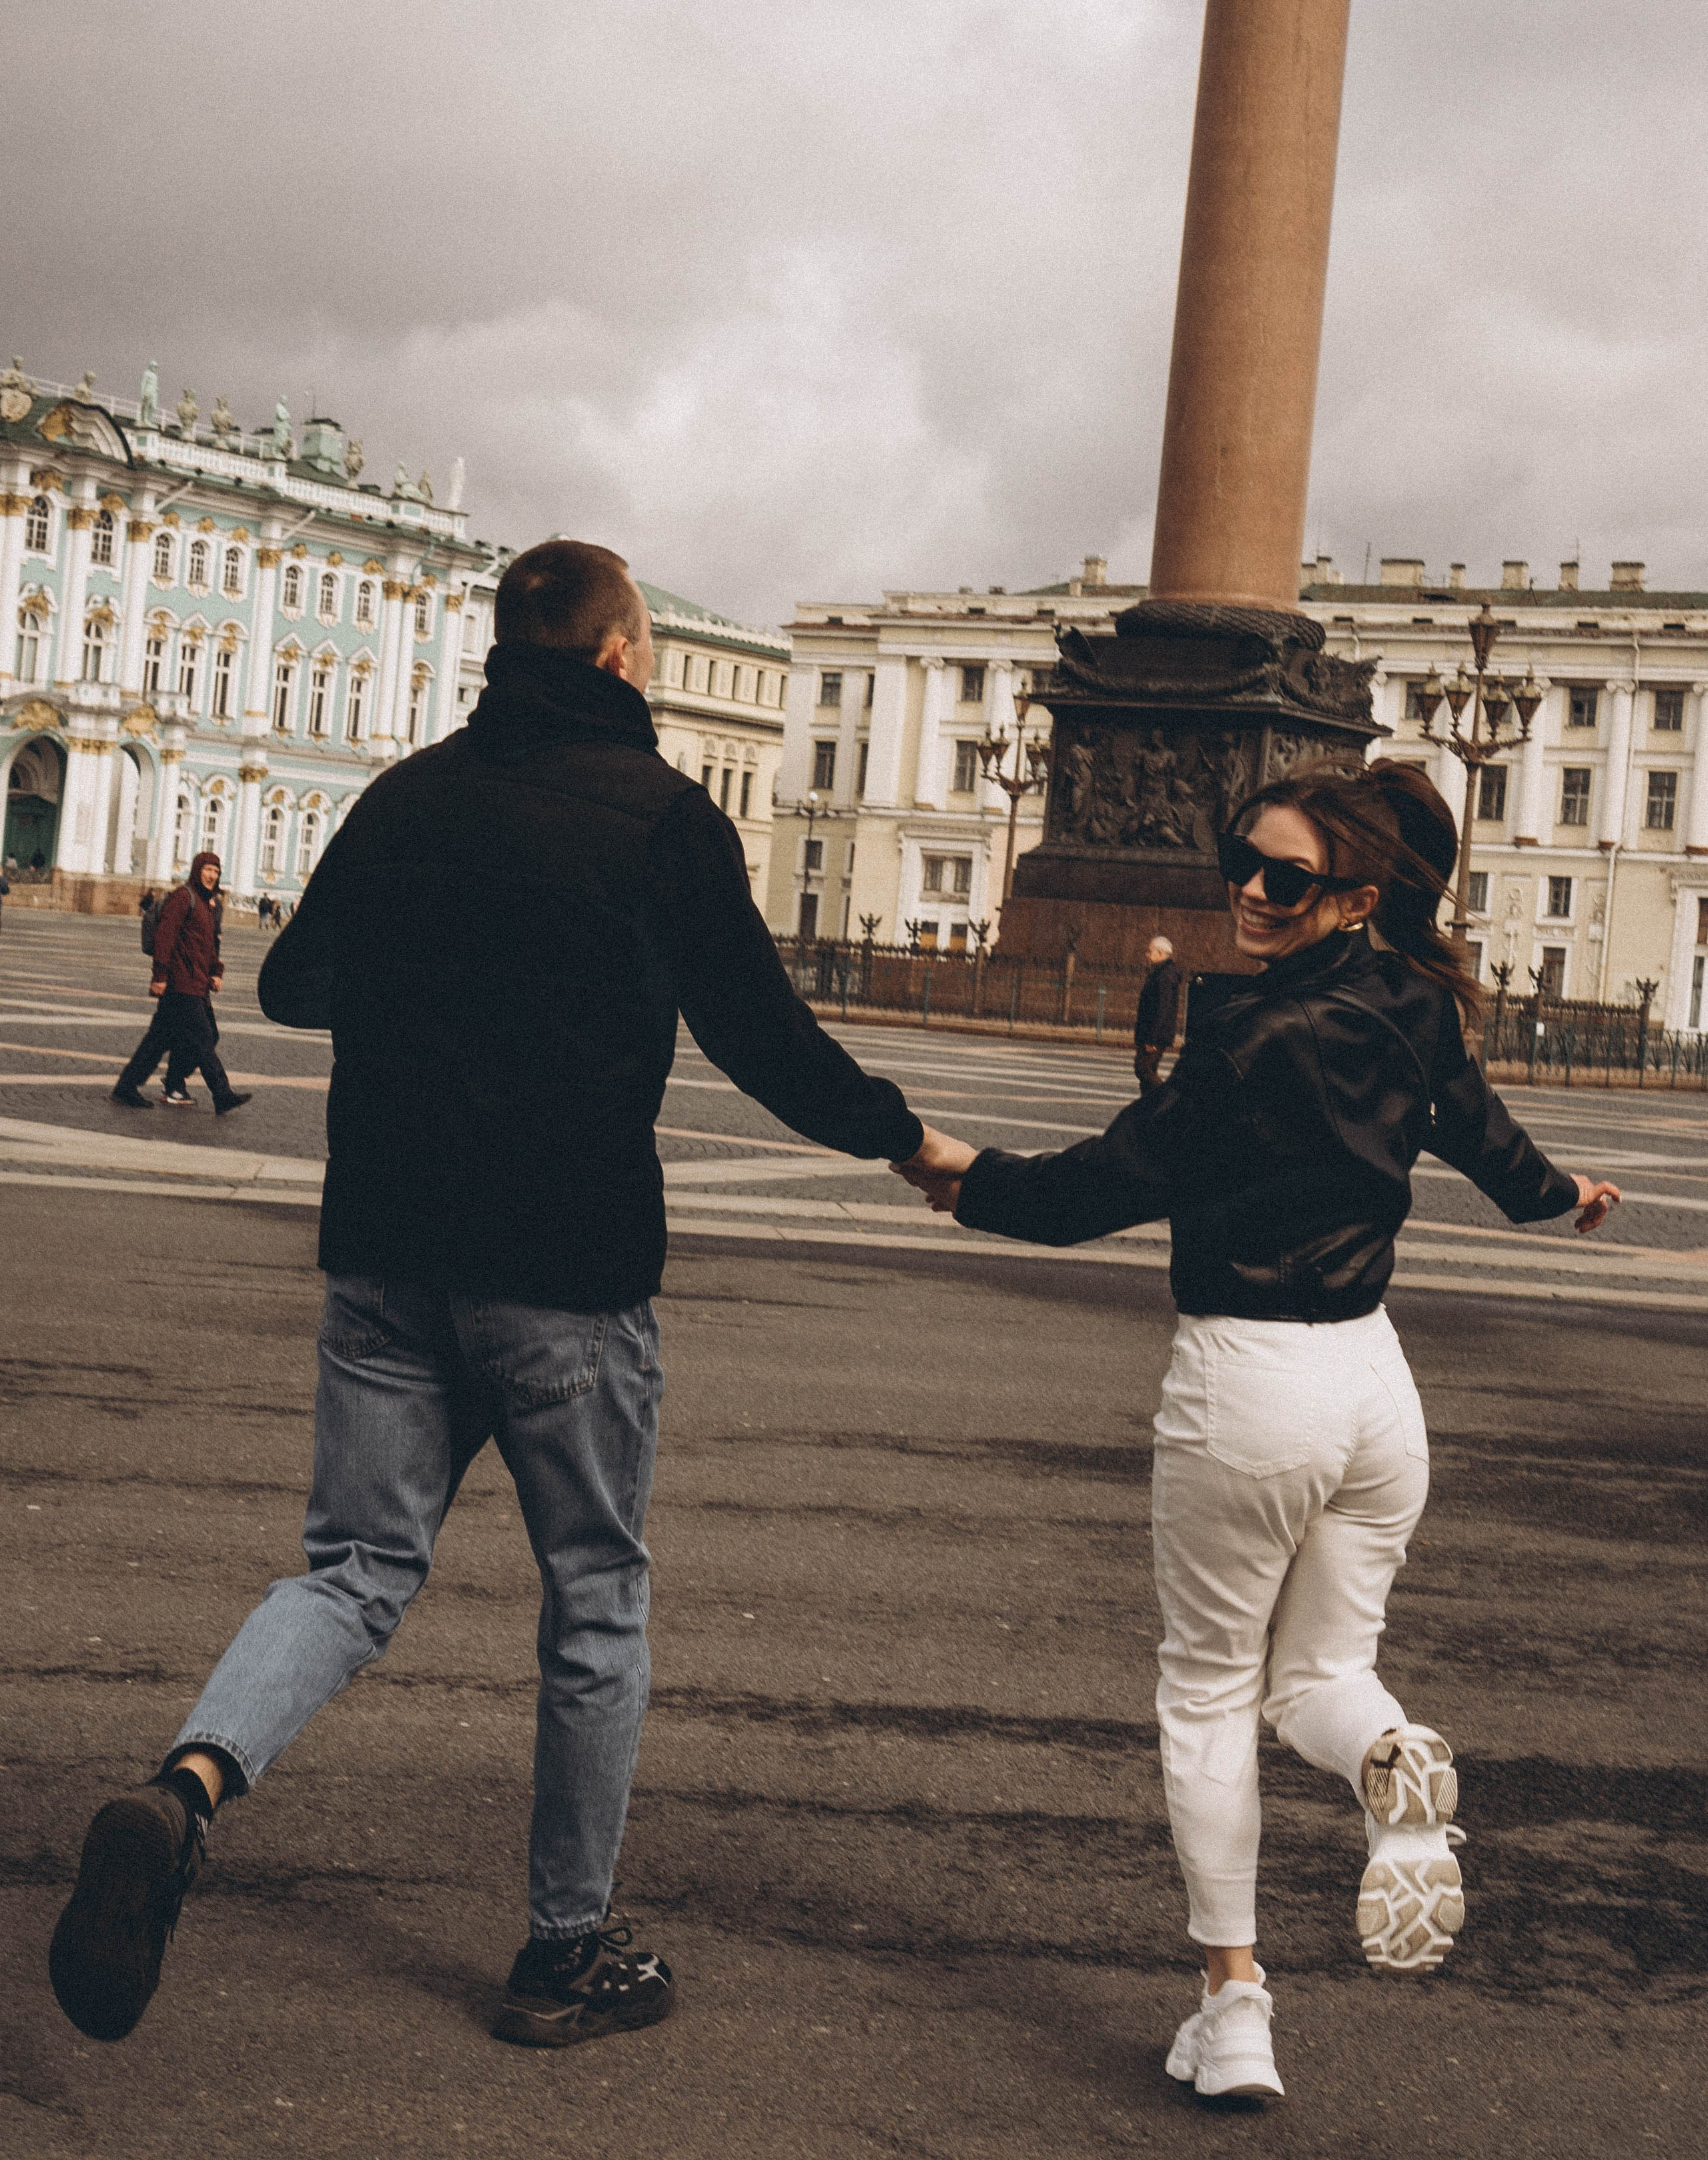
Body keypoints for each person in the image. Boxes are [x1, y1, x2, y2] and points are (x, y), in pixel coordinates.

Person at [51, 538, 926, 2056]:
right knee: (592, 1599)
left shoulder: (406, 796)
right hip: (564, 1268)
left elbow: (294, 987)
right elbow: (761, 1035)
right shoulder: (664, 816)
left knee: (350, 1573)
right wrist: (904, 1141)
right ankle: (561, 1952)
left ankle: (185, 1788)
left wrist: (438, 972)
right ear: (619, 656)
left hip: (387, 1251)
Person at [897, 758, 1621, 2106]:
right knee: (1322, 1680)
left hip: (1249, 1384)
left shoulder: (1248, 1038)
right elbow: (1491, 1148)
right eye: (1240, 859)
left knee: (1210, 1691)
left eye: (1285, 876)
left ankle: (1234, 2007)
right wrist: (1563, 1193)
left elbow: (1094, 1190)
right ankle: (1387, 1758)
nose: (1249, 889)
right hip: (1375, 1395)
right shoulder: (1414, 1004)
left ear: (1353, 896)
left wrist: (958, 1174)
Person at [109, 855, 254, 1117]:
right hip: (181, 982)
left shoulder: (208, 904)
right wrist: (160, 975)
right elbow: (165, 936)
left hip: (197, 983)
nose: (212, 876)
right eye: (208, 870)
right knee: (205, 1037)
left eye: (216, 871)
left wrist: (216, 972)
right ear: (198, 871)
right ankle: (221, 1094)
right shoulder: (183, 897)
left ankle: (129, 1086)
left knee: (160, 1039)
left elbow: (209, 945)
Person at [1132, 933, 1183, 1099]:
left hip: (1154, 1034)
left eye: (1150, 951)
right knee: (1148, 1071)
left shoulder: (1164, 976)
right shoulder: (1162, 973)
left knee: (1143, 1069)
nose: (1147, 955)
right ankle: (1150, 1105)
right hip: (1153, 1032)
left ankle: (1167, 1099)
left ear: (1160, 953)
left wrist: (1152, 1038)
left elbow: (1163, 1009)